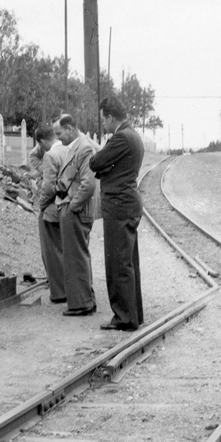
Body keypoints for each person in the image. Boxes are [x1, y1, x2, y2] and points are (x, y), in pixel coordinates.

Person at [89, 95, 145, 331]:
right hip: (127, 204)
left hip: (119, 206)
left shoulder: (121, 137)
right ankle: (133, 315)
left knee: (118, 264)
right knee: (129, 262)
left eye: (105, 120)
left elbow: (95, 162)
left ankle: (124, 318)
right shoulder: (133, 135)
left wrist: (103, 163)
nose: (105, 125)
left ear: (111, 117)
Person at [56, 114, 101, 317]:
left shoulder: (83, 148)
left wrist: (71, 207)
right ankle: (85, 301)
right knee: (77, 256)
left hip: (76, 210)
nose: (59, 137)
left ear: (70, 129)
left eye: (60, 133)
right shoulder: (77, 147)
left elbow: (88, 184)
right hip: (74, 209)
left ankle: (81, 304)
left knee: (76, 257)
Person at [35, 121, 68, 304]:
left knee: (52, 251)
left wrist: (41, 205)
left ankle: (59, 292)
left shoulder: (50, 155)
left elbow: (48, 188)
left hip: (54, 209)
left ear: (41, 141)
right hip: (72, 207)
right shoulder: (70, 148)